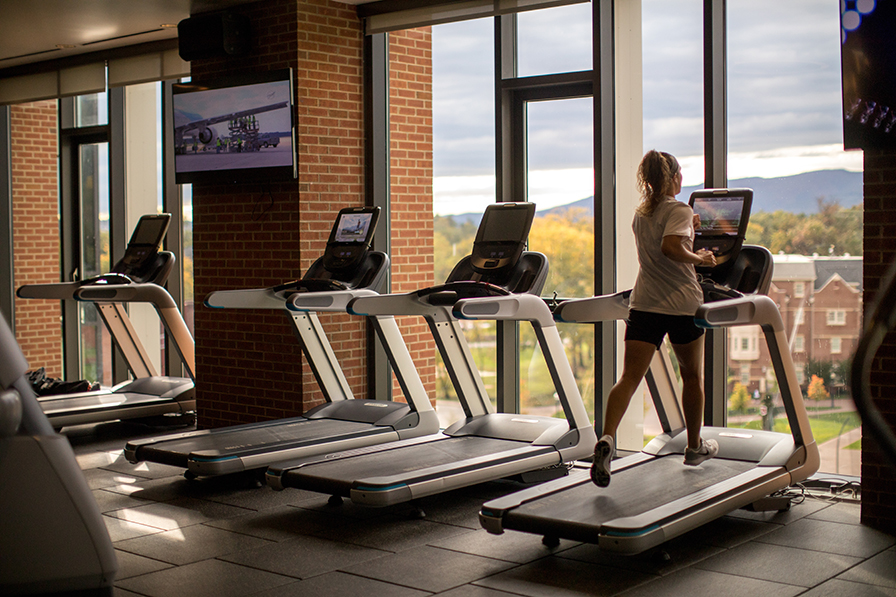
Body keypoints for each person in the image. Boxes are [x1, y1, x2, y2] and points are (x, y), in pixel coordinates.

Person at [591, 150, 719, 488]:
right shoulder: (679, 208)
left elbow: (667, 235)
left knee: (629, 378)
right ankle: (694, 447)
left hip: (645, 303)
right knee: (691, 376)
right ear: (674, 177)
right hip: (681, 305)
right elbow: (671, 248)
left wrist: (687, 227)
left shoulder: (642, 213)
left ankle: (606, 437)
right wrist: (701, 259)